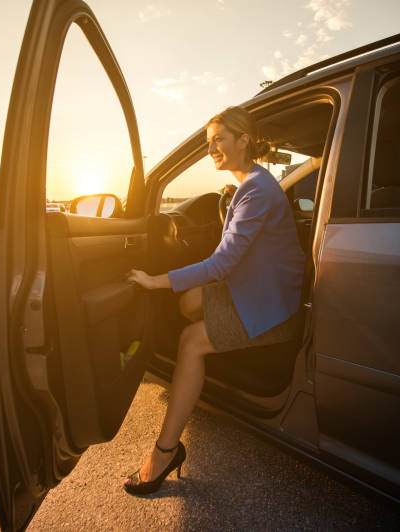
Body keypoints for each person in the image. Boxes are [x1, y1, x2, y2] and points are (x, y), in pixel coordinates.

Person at [123, 106, 305, 495]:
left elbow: (222, 263)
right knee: (190, 303)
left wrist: (155, 280)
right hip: (261, 287)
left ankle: (165, 451)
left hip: (270, 309)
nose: (211, 149)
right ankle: (203, 363)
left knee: (191, 341)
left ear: (244, 141)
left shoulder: (255, 189)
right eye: (208, 143)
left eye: (219, 140)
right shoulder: (253, 183)